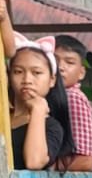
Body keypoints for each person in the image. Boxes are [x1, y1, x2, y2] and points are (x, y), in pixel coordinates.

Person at [7, 38, 75, 171]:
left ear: (52, 80)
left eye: (36, 73)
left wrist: (38, 110)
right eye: (18, 72)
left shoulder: (51, 127)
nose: (27, 80)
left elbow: (34, 162)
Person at [53, 35, 92, 172]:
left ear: (81, 73)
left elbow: (86, 159)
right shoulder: (53, 97)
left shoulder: (72, 98)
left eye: (70, 62)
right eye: (55, 60)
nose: (61, 67)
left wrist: (49, 168)